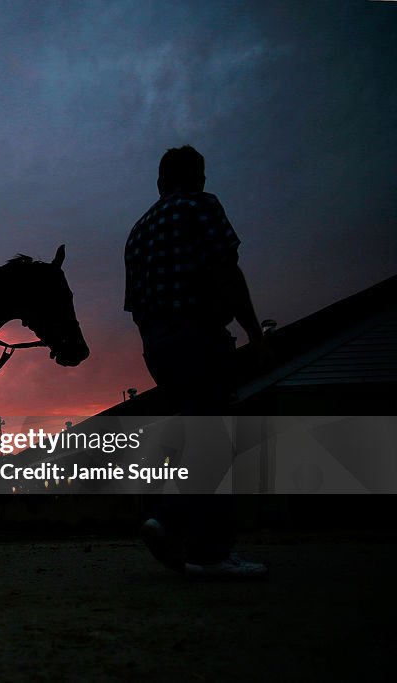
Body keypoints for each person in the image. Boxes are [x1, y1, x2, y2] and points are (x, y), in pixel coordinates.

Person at [124, 145, 266, 579]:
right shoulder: (200, 207)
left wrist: (158, 345)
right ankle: (176, 524)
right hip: (198, 335)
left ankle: (201, 546)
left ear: (160, 180)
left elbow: (135, 304)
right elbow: (226, 270)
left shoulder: (138, 230)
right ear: (199, 177)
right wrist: (255, 332)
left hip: (158, 345)